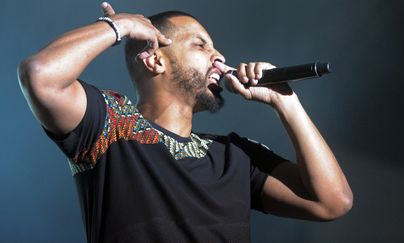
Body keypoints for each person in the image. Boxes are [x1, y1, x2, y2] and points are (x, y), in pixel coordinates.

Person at [18, 2, 353, 243]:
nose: (219, 57)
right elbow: (40, 75)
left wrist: (285, 102)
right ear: (154, 60)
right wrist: (120, 27)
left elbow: (332, 201)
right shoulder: (111, 125)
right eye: (200, 45)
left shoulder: (235, 156)